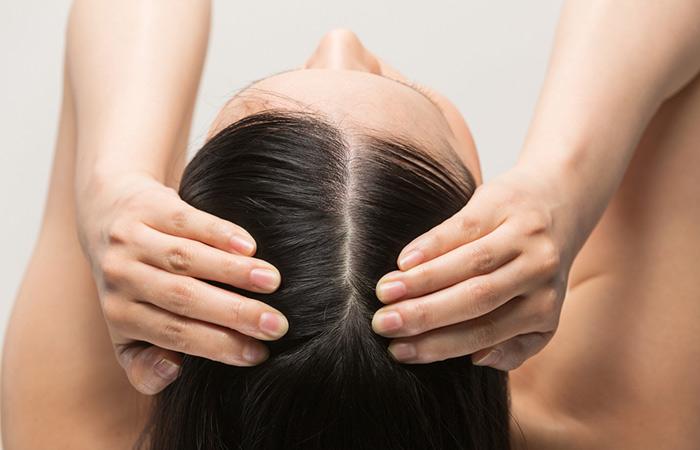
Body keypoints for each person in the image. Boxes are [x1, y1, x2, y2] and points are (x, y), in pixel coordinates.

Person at [3, 0, 700, 448]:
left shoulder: (76, 427)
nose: (340, 40)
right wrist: (562, 177)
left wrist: (111, 181)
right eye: (402, 87)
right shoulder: (608, 418)